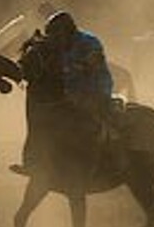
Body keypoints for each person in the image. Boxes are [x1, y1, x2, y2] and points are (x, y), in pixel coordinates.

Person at [12, 9, 118, 176]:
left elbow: (91, 66)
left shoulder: (89, 42)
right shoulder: (60, 44)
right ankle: (37, 162)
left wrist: (67, 68)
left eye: (55, 36)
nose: (53, 41)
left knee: (83, 122)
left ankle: (91, 162)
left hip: (95, 90)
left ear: (66, 32)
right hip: (70, 93)